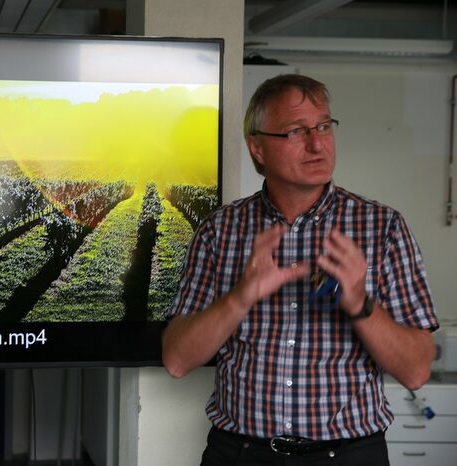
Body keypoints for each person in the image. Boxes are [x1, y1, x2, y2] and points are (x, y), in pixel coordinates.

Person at [162, 74, 439, 466]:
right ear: (257, 147)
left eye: (324, 126)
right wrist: (242, 295)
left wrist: (359, 303)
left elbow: (416, 371)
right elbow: (176, 360)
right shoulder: (219, 230)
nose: (317, 144)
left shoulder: (383, 228)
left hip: (349, 456)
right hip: (240, 454)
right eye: (296, 131)